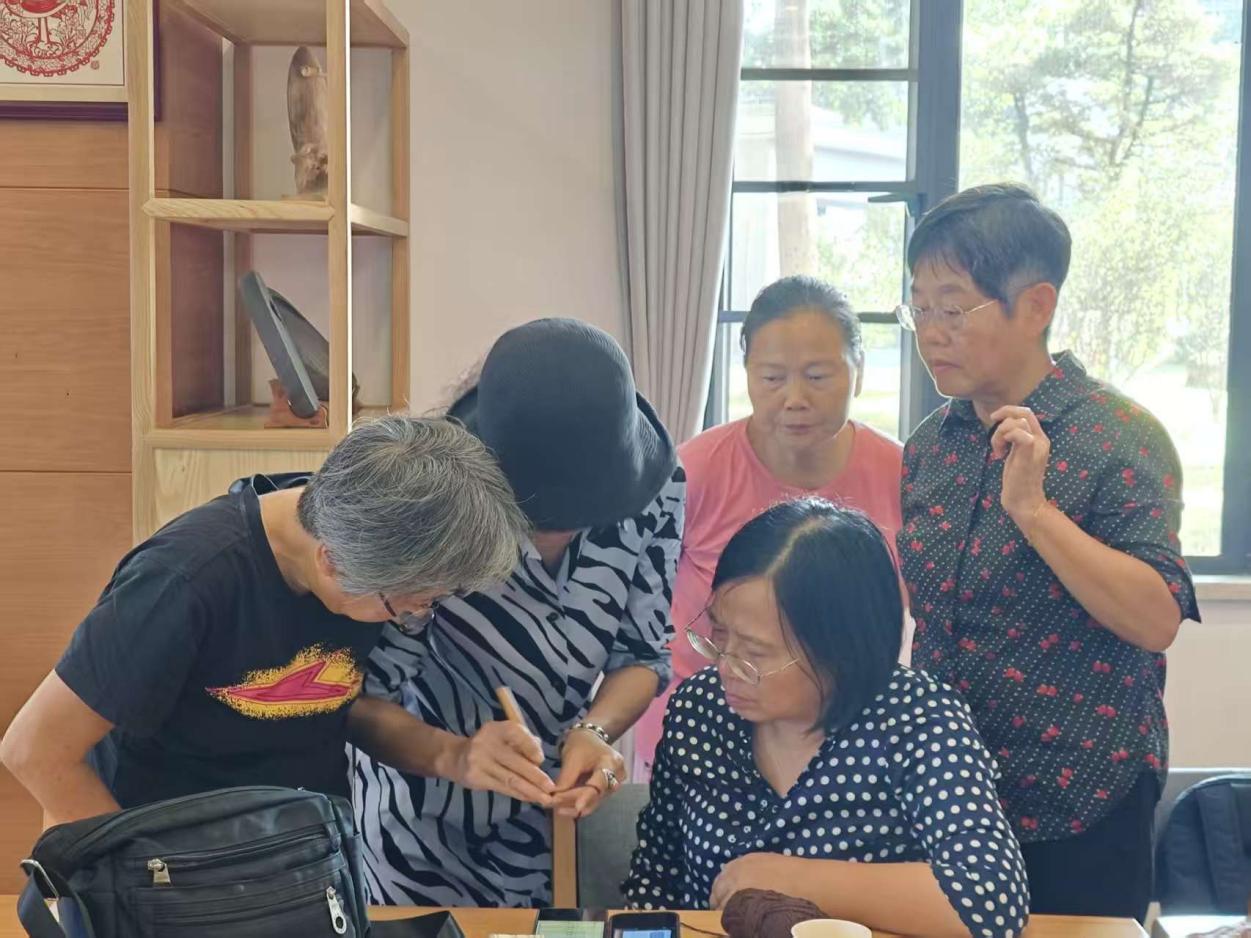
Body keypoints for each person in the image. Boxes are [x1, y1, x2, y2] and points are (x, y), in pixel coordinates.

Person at [896, 183, 1200, 921]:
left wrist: (1033, 512)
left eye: (952, 310)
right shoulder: (929, 447)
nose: (930, 333)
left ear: (1035, 306)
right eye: (918, 309)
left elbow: (1156, 617)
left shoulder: (1117, 435)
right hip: (946, 793)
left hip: (1081, 799)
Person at [0, 416, 543, 829]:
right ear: (332, 562)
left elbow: (333, 702)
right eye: (404, 605)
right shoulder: (185, 581)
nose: (410, 615)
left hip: (293, 858)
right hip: (174, 863)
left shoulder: (359, 532)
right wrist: (134, 882)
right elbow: (35, 750)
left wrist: (455, 755)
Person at [353, 318, 685, 907]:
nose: (561, 535)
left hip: (551, 817)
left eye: (587, 514)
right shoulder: (431, 501)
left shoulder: (654, 489)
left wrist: (595, 731)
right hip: (418, 819)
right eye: (534, 519)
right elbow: (364, 702)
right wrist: (457, 756)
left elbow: (641, 653)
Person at [625, 499, 1029, 938]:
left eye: (756, 653)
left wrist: (789, 876)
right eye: (719, 635)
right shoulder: (701, 710)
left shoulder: (917, 717)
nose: (726, 667)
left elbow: (991, 898)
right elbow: (656, 877)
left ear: (841, 651)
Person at [632, 275, 903, 779]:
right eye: (772, 378)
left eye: (818, 376)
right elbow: (638, 606)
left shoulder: (902, 475)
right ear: (747, 374)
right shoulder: (691, 472)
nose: (794, 398)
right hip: (702, 730)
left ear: (859, 370)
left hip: (843, 742)